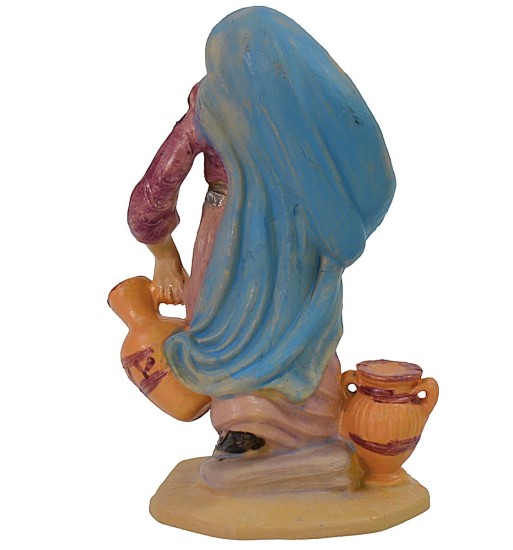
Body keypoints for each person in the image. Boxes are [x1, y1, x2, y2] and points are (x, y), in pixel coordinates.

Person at [128, 7, 395, 456]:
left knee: (229, 336)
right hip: (303, 239)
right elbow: (367, 170)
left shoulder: (211, 107)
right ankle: (306, 432)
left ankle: (246, 431)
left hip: (226, 242)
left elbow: (150, 199)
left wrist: (164, 256)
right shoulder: (305, 109)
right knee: (301, 337)